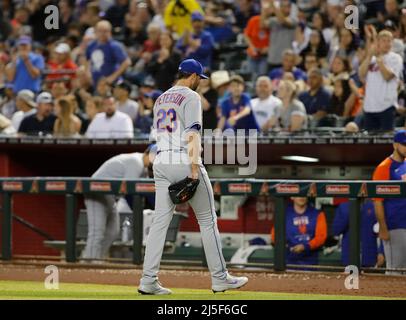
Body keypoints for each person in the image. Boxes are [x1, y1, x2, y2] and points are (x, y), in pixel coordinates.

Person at [138, 59, 248, 295]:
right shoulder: (191, 96)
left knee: (159, 223)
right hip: (182, 159)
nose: (200, 83)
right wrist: (195, 167)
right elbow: (193, 134)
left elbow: (154, 139)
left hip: (162, 160)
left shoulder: (160, 98)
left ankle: (148, 280)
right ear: (194, 77)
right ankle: (220, 278)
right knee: (207, 220)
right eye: (200, 79)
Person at [82, 145, 157, 261]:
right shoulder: (135, 162)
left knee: (113, 232)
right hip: (95, 192)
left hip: (109, 196)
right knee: (97, 232)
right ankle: (87, 263)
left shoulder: (143, 169)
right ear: (147, 153)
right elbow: (130, 191)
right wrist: (138, 211)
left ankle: (96, 260)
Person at [372, 130, 406, 274]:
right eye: (405, 145)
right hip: (394, 225)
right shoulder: (384, 167)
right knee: (395, 270)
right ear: (395, 145)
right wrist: (383, 228)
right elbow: (378, 201)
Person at [359, 27, 403, 131]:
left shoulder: (395, 58)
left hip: (386, 106)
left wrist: (379, 59)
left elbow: (387, 76)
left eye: (389, 41)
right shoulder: (371, 59)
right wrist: (370, 55)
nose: (387, 43)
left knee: (387, 140)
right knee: (369, 143)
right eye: (384, 41)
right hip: (369, 107)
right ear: (378, 43)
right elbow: (361, 74)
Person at [271, 197, 327, 266]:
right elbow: (274, 236)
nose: (301, 197)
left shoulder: (317, 214)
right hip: (288, 261)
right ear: (292, 197)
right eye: (298, 194)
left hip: (310, 262)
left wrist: (306, 246)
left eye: (304, 194)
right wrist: (286, 247)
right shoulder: (283, 213)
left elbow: (321, 237)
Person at [333, 200, 385, 268]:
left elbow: (383, 230)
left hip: (370, 257)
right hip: (349, 257)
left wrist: (381, 251)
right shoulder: (344, 207)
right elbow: (336, 230)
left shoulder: (374, 206)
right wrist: (350, 211)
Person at [85, 20, 131, 86]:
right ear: (95, 32)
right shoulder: (91, 45)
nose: (102, 33)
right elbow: (87, 59)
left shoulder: (115, 46)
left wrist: (112, 77)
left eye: (105, 31)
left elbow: (126, 62)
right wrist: (88, 73)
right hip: (96, 83)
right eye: (100, 31)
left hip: (112, 84)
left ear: (110, 32)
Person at [262, 0, 298, 69]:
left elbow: (283, 22)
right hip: (272, 58)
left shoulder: (293, 20)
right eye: (283, 6)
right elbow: (262, 25)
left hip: (286, 60)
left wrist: (274, 5)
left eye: (287, 6)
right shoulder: (274, 20)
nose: (285, 8)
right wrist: (264, 8)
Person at [243, 13, 270, 81]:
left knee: (262, 77)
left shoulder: (272, 22)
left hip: (265, 55)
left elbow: (276, 38)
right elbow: (246, 35)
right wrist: (252, 47)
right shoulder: (254, 20)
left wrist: (269, 48)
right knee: (250, 77)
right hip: (252, 54)